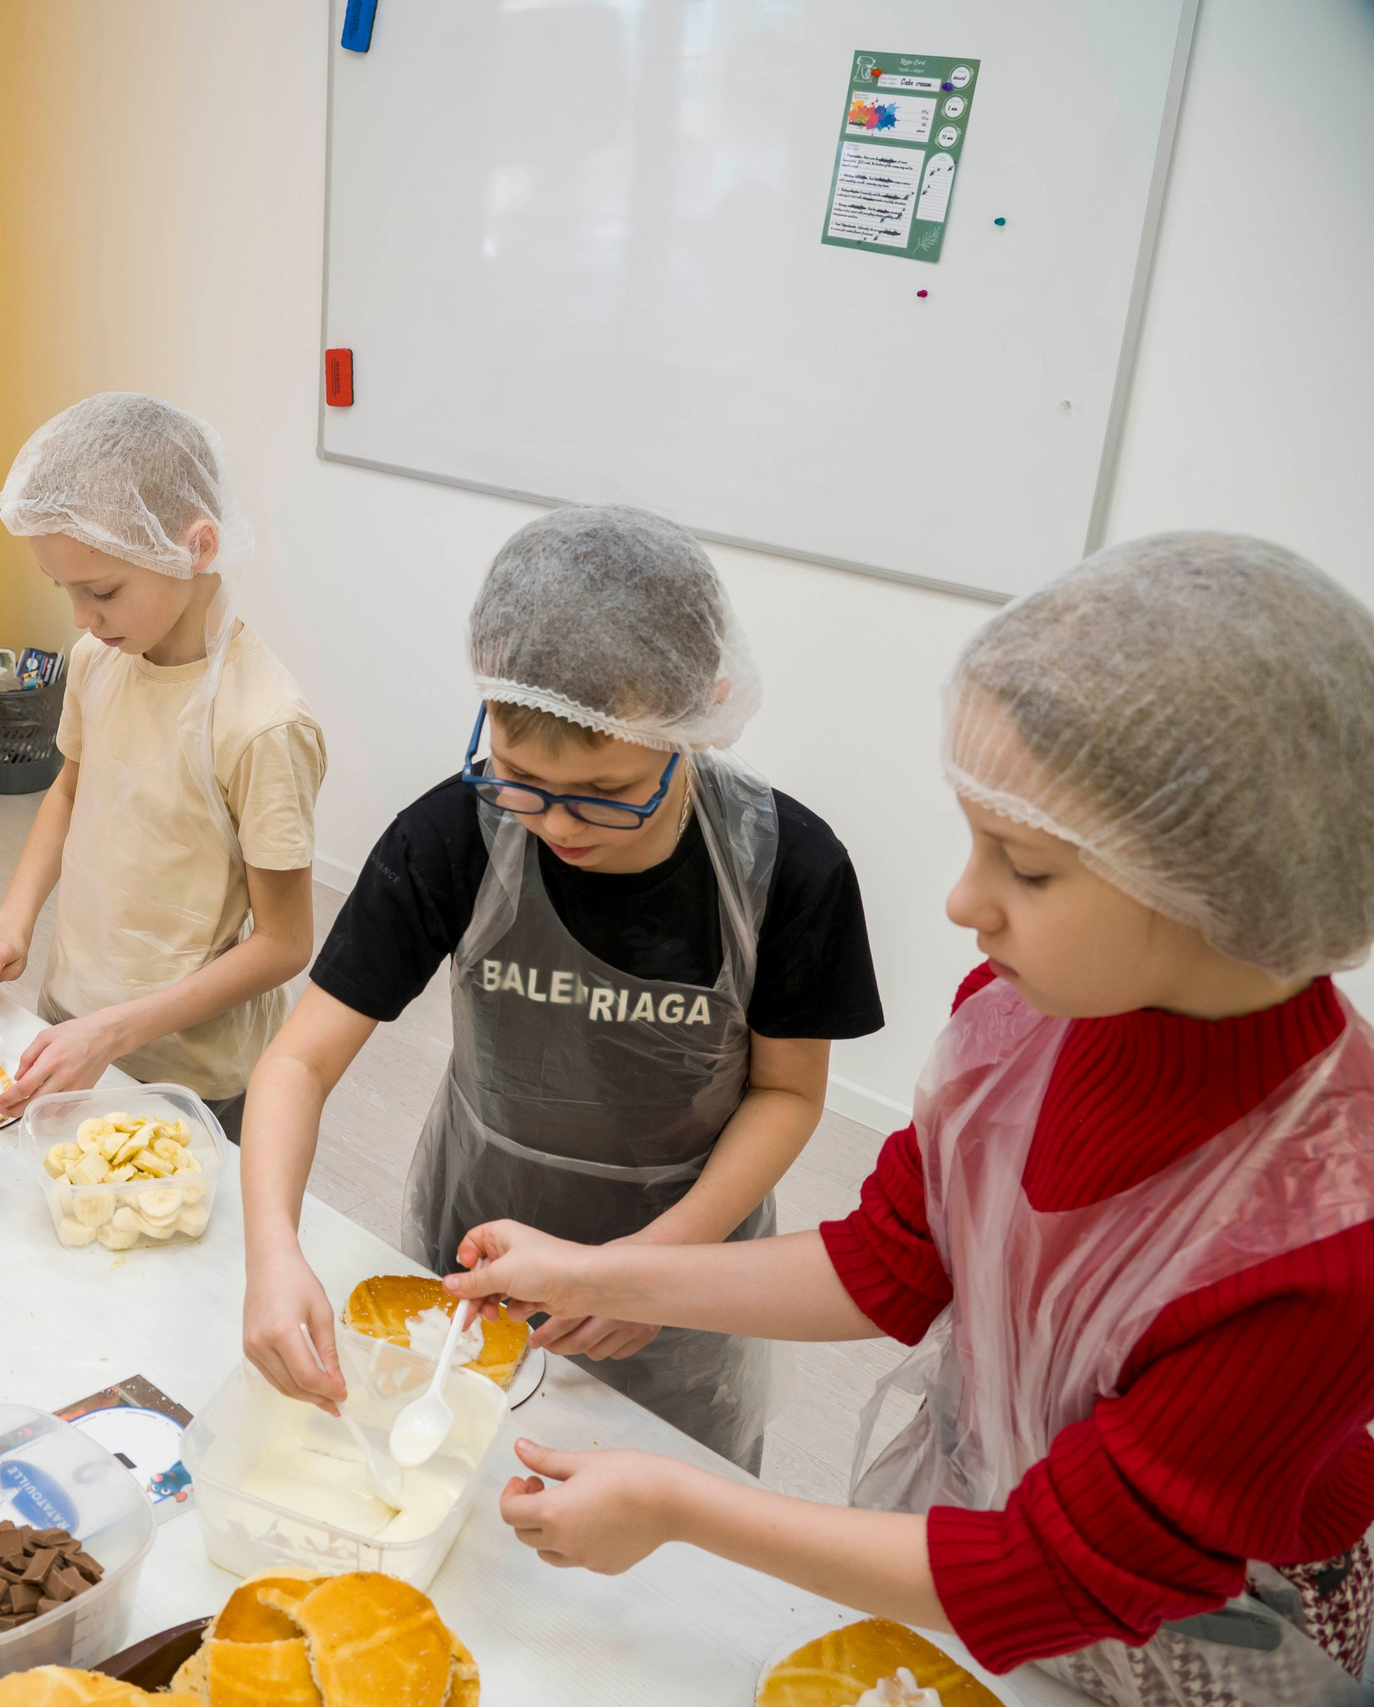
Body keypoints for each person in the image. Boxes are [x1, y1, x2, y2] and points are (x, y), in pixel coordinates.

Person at [457, 533, 1374, 1707]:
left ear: (1221, 887)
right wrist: (596, 1272)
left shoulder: (1325, 1241)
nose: (960, 901)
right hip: (981, 1550)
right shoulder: (1021, 1018)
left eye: (1025, 868)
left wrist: (678, 1505)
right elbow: (890, 1264)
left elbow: (1063, 1572)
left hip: (1197, 1639)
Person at [240, 507, 882, 1472]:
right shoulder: (453, 837)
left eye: (607, 791)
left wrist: (655, 1266)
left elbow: (788, 1092)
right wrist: (272, 1251)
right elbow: (299, 1060)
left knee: (660, 1513)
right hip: (480, 1253)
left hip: (682, 1268)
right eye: (518, 777)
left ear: (694, 722)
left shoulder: (784, 868)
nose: (557, 823)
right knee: (455, 1478)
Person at [0, 393, 325, 1136]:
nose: (80, 617)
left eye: (102, 591)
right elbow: (68, 792)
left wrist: (115, 1031)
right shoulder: (97, 661)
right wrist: (12, 924)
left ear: (198, 547)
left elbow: (284, 944)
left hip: (192, 1075)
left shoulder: (261, 722)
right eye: (64, 589)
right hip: (73, 1024)